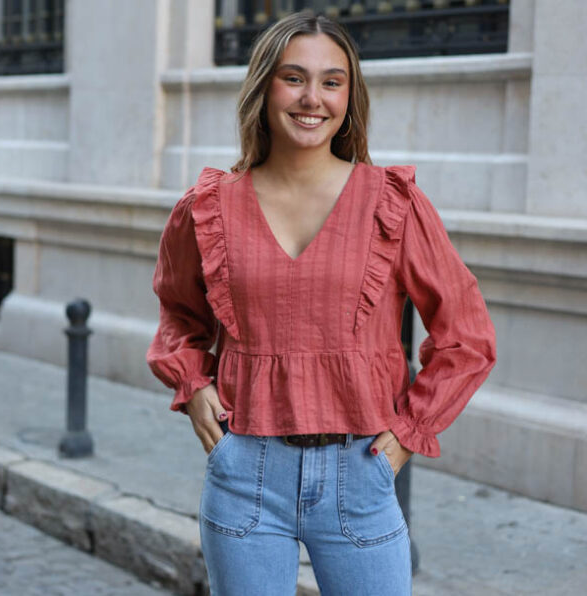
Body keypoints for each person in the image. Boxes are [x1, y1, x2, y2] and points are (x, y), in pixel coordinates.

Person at [146, 10, 496, 596]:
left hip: (360, 474)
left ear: (349, 96)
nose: (313, 98)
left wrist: (408, 434)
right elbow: (178, 314)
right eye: (294, 78)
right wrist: (194, 382)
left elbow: (466, 335)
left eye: (332, 81)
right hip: (246, 475)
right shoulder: (207, 207)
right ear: (264, 87)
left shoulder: (393, 203)